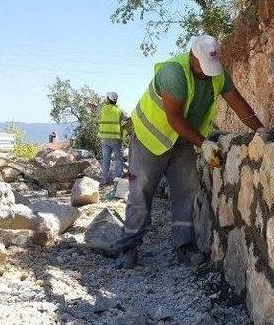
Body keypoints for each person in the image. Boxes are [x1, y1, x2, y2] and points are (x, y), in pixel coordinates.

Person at [114, 35, 264, 268]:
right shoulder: (173, 74)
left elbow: (239, 104)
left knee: (187, 190)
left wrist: (262, 132)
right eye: (203, 67)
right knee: (140, 192)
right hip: (149, 139)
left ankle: (184, 247)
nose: (207, 73)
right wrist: (204, 143)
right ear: (193, 55)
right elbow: (173, 119)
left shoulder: (216, 74)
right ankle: (129, 247)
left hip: (182, 141)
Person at [97, 91, 129, 185]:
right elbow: (129, 118)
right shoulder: (119, 111)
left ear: (108, 99)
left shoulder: (103, 109)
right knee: (118, 159)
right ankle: (117, 180)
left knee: (106, 160)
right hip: (115, 139)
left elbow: (99, 114)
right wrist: (123, 127)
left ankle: (104, 179)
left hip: (105, 139)